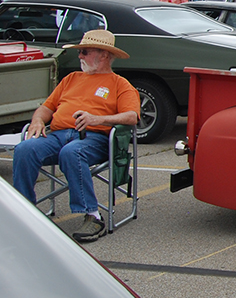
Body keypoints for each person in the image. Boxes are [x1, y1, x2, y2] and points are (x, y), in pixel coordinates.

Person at [12, 30, 140, 243]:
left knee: (72, 152)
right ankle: (23, 210)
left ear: (104, 55)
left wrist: (97, 119)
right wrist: (37, 121)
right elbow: (46, 107)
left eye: (84, 52)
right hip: (58, 134)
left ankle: (93, 215)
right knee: (24, 148)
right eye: (80, 52)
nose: (79, 56)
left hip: (94, 139)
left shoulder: (120, 84)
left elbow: (132, 116)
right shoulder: (71, 78)